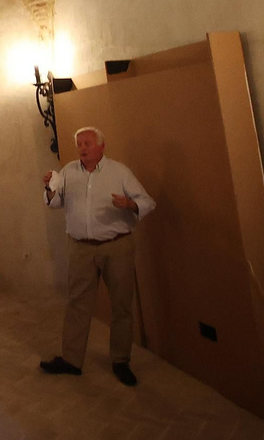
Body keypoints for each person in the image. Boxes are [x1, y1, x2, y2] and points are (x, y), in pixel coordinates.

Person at [39, 126, 155, 386]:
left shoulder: (120, 171)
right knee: (77, 303)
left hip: (116, 246)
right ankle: (71, 360)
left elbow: (147, 201)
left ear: (102, 146)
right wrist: (49, 188)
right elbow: (55, 203)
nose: (82, 147)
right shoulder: (68, 171)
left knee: (121, 305)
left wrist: (130, 204)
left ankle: (121, 360)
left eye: (88, 143)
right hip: (80, 247)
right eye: (79, 143)